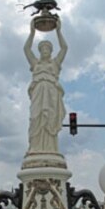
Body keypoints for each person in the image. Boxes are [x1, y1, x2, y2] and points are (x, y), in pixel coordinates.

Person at [23, 18, 68, 154]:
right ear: (40, 51)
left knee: (50, 118)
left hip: (51, 94)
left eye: (48, 49)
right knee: (35, 118)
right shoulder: (35, 64)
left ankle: (51, 149)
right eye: (42, 49)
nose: (45, 51)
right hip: (37, 93)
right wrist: (32, 33)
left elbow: (64, 48)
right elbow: (26, 49)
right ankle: (35, 148)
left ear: (51, 51)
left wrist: (59, 31)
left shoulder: (55, 64)